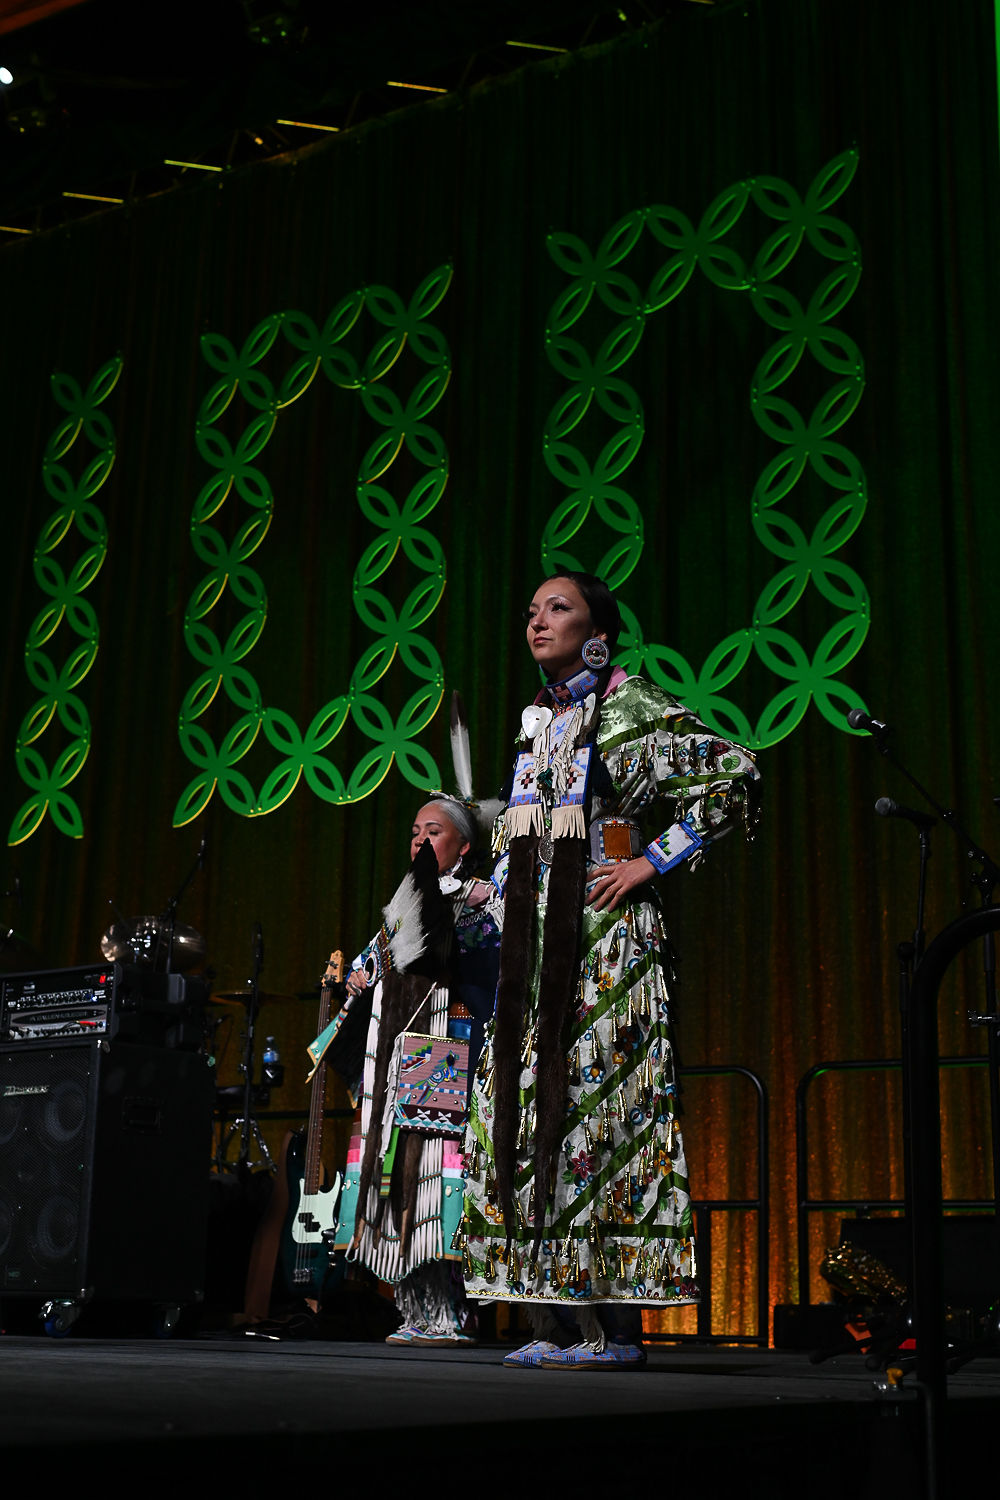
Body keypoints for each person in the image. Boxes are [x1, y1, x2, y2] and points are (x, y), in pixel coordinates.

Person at [457, 572, 760, 1367]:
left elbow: (734, 775)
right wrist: (491, 894)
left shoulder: (634, 705)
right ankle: (552, 1316)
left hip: (605, 949)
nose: (536, 622)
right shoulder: (538, 723)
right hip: (530, 954)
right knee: (524, 1112)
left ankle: (616, 1328)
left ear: (598, 630)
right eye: (530, 611)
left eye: (557, 608)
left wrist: (651, 861)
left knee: (604, 1113)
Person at [324, 795, 502, 1346]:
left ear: (464, 847)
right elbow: (368, 963)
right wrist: (354, 979)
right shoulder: (404, 903)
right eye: (414, 833)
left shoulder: (481, 900)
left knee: (434, 1175)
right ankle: (416, 1308)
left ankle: (450, 1311)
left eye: (434, 831)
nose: (420, 841)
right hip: (397, 1056)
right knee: (397, 1171)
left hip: (446, 1050)